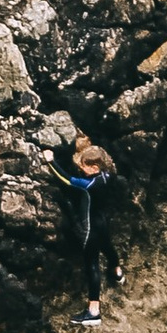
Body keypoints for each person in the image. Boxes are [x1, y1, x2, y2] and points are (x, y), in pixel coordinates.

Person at [51, 126, 121, 309]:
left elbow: (66, 179)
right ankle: (118, 272)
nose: (81, 169)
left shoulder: (88, 185)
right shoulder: (107, 175)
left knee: (92, 265)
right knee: (108, 247)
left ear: (94, 167)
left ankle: (93, 310)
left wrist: (51, 162)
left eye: (83, 166)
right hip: (102, 222)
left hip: (90, 228)